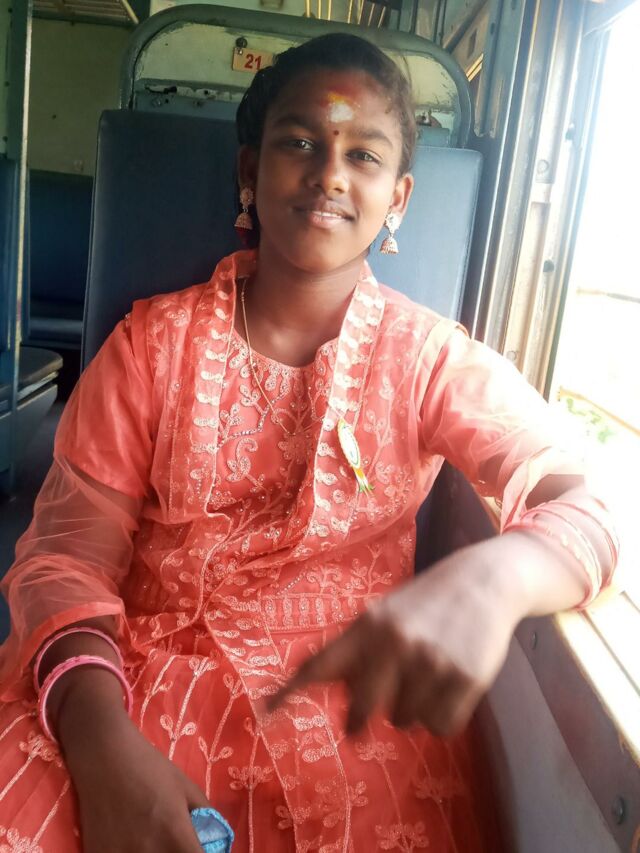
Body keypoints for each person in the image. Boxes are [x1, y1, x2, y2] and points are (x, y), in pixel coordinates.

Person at [0, 33, 619, 853]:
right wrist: (98, 741)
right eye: (300, 143)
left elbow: (591, 502)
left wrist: (496, 578)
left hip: (351, 719)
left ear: (397, 199)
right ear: (249, 170)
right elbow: (65, 560)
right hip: (127, 694)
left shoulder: (431, 362)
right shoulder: (150, 348)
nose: (329, 174)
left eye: (363, 155)